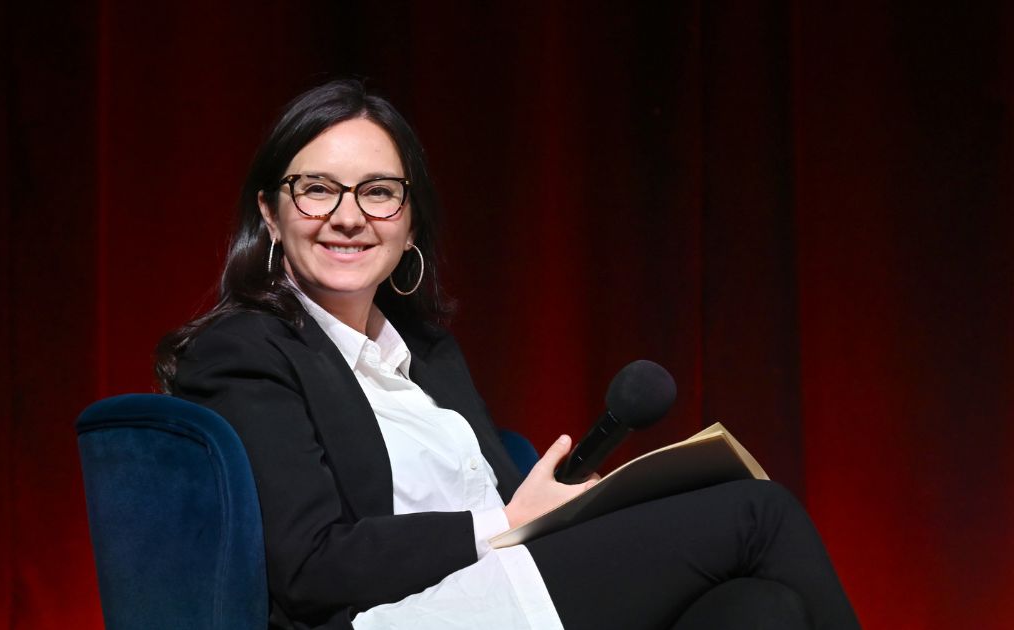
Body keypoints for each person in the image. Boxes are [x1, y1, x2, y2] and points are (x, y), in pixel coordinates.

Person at [156, 80, 859, 630]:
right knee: (755, 513)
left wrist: (569, 513)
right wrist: (511, 523)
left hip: (504, 594)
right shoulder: (243, 349)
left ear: (409, 224)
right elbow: (312, 566)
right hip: (396, 620)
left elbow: (508, 506)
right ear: (271, 214)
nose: (348, 215)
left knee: (762, 611)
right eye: (316, 190)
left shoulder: (425, 351)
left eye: (378, 193)